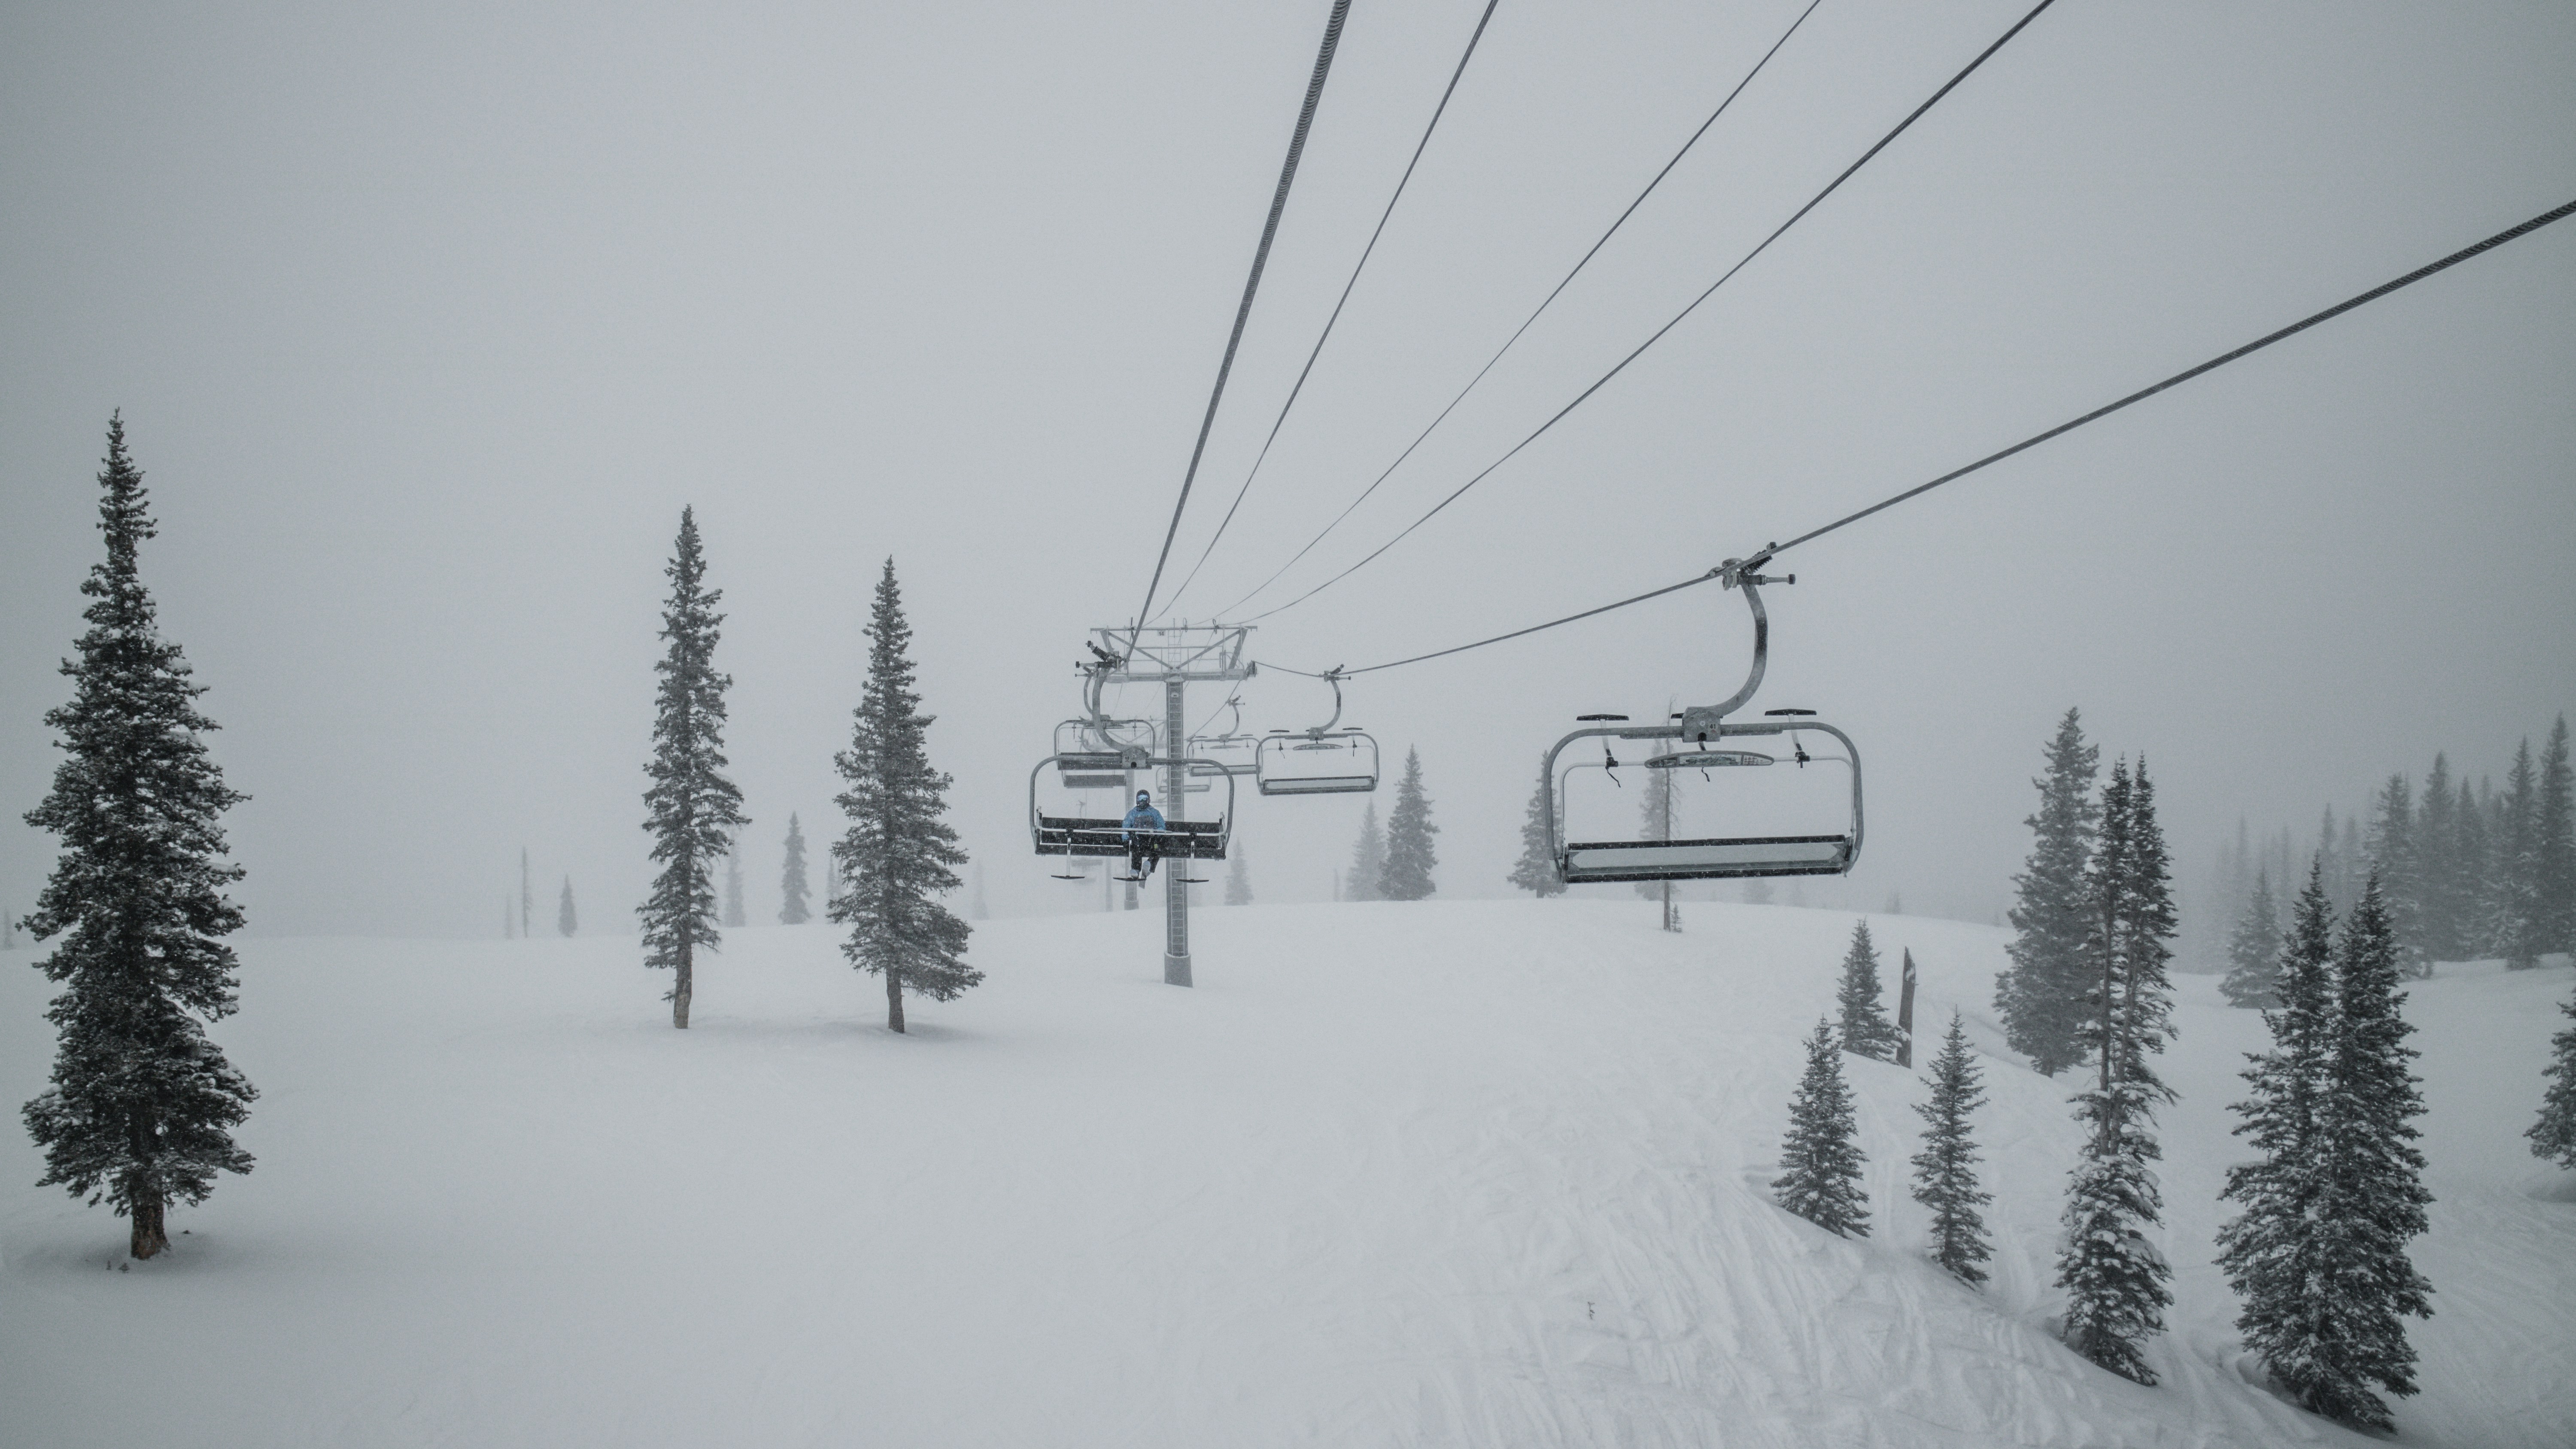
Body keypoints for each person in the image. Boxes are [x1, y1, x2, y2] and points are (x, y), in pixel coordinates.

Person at [1121, 789, 1166, 880]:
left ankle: (1149, 865)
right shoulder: (1133, 813)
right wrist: (1126, 839)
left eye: (1144, 799)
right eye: (1140, 799)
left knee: (1157, 849)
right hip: (1138, 839)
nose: (1142, 801)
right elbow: (1126, 827)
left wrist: (1157, 834)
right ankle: (1136, 869)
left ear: (1148, 800)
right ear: (1137, 800)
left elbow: (1162, 826)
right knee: (1136, 848)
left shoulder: (1154, 813)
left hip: (1152, 839)